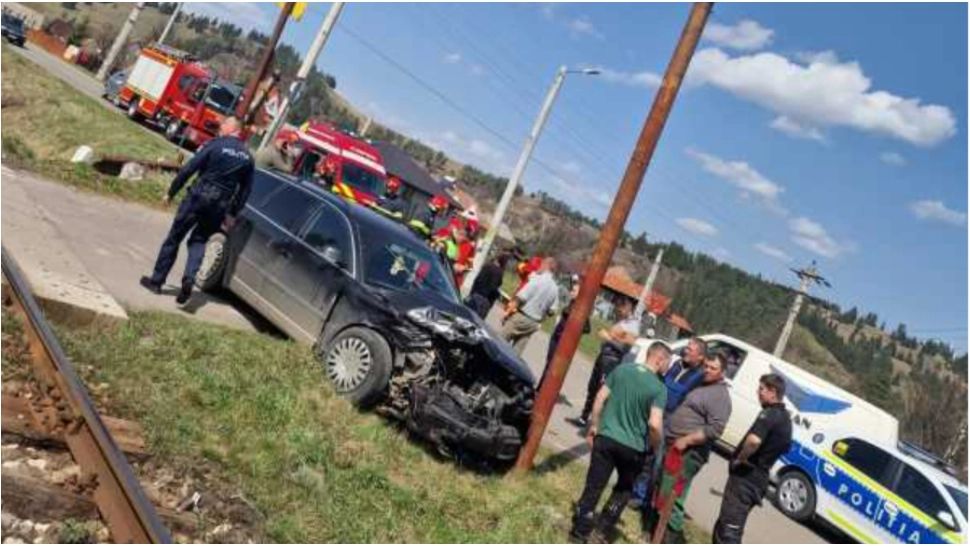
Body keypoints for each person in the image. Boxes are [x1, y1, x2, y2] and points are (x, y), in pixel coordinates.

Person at [140, 116, 254, 305]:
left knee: (174, 238)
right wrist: (232, 213)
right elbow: (246, 190)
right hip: (219, 205)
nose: (221, 127)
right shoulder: (247, 157)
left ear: (233, 128)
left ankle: (156, 282)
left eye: (224, 124)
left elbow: (189, 169)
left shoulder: (215, 145)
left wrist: (171, 192)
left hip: (198, 197)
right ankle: (189, 278)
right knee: (199, 241)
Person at [569, 341, 672, 544]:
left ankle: (579, 530)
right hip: (632, 448)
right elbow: (654, 424)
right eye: (668, 362)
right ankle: (601, 531)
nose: (668, 367)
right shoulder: (659, 388)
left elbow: (599, 399)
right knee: (624, 489)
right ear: (659, 360)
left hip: (606, 438)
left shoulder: (622, 369)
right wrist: (655, 445)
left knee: (594, 485)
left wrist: (594, 426)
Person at [644, 353, 732, 544]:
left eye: (713, 368)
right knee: (663, 488)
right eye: (706, 366)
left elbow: (716, 429)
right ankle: (654, 532)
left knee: (674, 495)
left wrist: (687, 440)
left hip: (688, 453)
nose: (707, 370)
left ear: (723, 372)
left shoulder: (721, 396)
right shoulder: (703, 383)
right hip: (673, 444)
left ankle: (668, 538)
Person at [631, 337, 709, 508]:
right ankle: (634, 489)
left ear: (701, 357)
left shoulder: (700, 377)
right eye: (687, 346)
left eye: (691, 348)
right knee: (644, 454)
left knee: (657, 462)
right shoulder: (676, 365)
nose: (686, 350)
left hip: (672, 424)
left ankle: (644, 498)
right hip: (656, 413)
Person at [713, 374, 792, 544]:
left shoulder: (770, 414)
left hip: (746, 478)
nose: (758, 392)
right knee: (725, 525)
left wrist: (740, 459)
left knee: (729, 530)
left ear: (773, 392)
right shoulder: (785, 418)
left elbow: (754, 441)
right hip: (758, 478)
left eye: (762, 389)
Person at [570, 299, 641, 428]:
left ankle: (598, 425)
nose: (618, 309)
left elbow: (625, 349)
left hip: (611, 361)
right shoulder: (623, 321)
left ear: (629, 307)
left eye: (621, 306)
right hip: (603, 357)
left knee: (601, 393)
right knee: (592, 387)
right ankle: (583, 418)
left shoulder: (633, 325)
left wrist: (609, 338)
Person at [538, 275, 590, 389]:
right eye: (572, 289)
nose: (571, 291)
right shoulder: (571, 303)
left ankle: (542, 388)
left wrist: (573, 330)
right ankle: (540, 387)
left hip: (563, 340)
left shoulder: (581, 309)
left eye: (574, 291)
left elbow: (587, 328)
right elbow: (574, 281)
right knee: (548, 363)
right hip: (556, 336)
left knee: (552, 366)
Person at [501, 257, 558, 355]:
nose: (539, 267)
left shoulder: (537, 279)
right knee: (516, 352)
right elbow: (552, 311)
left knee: (500, 341)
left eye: (541, 264)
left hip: (522, 316)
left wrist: (507, 313)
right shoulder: (555, 288)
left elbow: (521, 297)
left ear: (546, 265)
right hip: (534, 323)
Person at [465, 253, 510, 319]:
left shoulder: (487, 266)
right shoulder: (499, 272)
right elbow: (493, 287)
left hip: (475, 294)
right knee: (476, 320)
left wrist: (471, 293)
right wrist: (497, 295)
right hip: (485, 300)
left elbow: (477, 280)